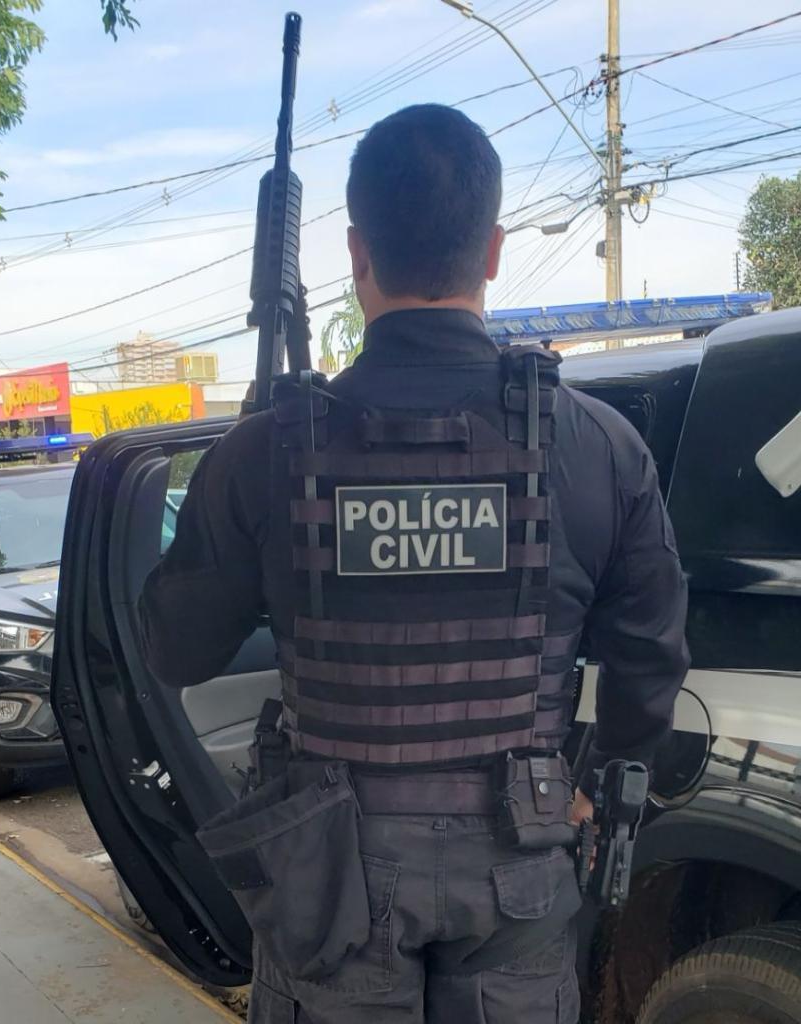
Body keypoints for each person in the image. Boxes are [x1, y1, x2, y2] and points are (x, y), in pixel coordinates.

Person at [140, 104, 689, 1024]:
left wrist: (243, 478)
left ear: (356, 253)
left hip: (329, 869)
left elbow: (175, 651)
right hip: (523, 850)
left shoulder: (266, 455)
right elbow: (649, 657)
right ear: (493, 250)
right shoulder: (597, 446)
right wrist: (593, 782)